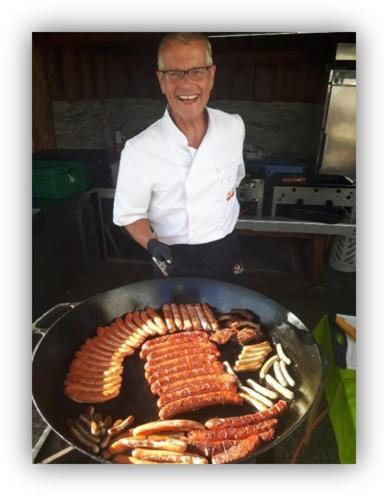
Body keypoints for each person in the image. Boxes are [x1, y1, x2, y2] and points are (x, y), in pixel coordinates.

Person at [113, 32, 246, 281]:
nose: (187, 85)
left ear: (211, 76)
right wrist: (152, 245)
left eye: (197, 71)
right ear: (162, 82)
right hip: (173, 259)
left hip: (227, 251)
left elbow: (234, 181)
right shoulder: (139, 148)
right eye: (174, 74)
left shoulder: (233, 127)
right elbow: (129, 215)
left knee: (234, 317)